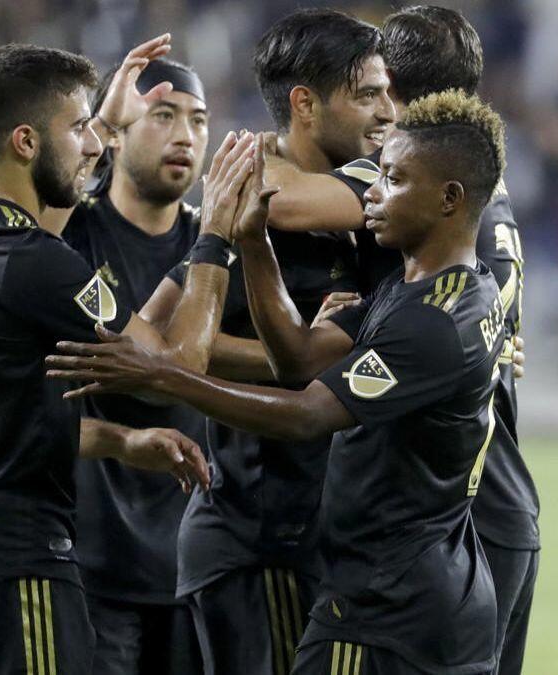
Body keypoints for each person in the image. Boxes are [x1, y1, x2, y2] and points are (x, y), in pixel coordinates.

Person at [47, 90, 508, 675]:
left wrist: (165, 374)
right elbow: (299, 357)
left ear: (449, 199)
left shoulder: (434, 323)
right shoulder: (422, 288)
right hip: (427, 593)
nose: (371, 191)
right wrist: (254, 240)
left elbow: (307, 413)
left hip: (389, 609)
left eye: (392, 179)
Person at [0, 35, 259, 674]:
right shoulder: (34, 264)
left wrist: (120, 441)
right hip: (13, 557)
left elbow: (17, 408)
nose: (94, 144)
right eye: (79, 129)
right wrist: (215, 238)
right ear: (27, 143)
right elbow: (175, 363)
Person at [262, 8, 540, 671]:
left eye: (376, 88)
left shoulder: (409, 172)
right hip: (493, 506)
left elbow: (282, 198)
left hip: (451, 516)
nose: (374, 108)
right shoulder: (481, 187)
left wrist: (259, 148)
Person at [137, 10, 395, 674]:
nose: (387, 111)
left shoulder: (351, 208)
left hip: (313, 534)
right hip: (262, 534)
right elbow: (158, 337)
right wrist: (306, 363)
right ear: (306, 104)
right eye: (367, 94)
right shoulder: (240, 214)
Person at [51, 57, 215, 674]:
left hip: (198, 569)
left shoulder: (216, 249)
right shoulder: (69, 237)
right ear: (116, 133)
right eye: (164, 115)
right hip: (91, 569)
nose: (185, 136)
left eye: (199, 121)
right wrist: (94, 124)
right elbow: (14, 216)